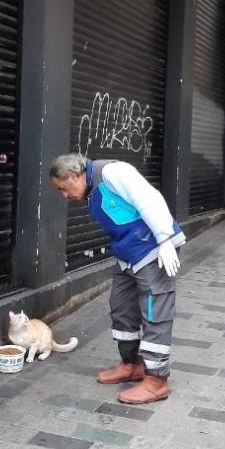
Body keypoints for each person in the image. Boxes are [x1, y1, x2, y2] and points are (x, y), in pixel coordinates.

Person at [50, 154, 185, 405]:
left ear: (72, 176)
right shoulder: (91, 188)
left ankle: (156, 381)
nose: (64, 196)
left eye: (63, 188)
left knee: (155, 311)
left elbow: (149, 199)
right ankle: (132, 364)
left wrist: (165, 240)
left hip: (154, 250)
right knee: (122, 307)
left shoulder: (113, 173)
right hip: (129, 254)